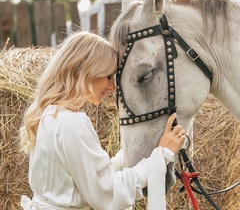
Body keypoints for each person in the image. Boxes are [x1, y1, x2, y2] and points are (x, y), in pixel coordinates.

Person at [19, 30, 186, 210]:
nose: (112, 86)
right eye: (108, 76)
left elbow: (84, 180)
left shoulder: (49, 115)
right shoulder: (72, 123)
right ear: (87, 71)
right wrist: (162, 156)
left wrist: (128, 154)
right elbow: (108, 194)